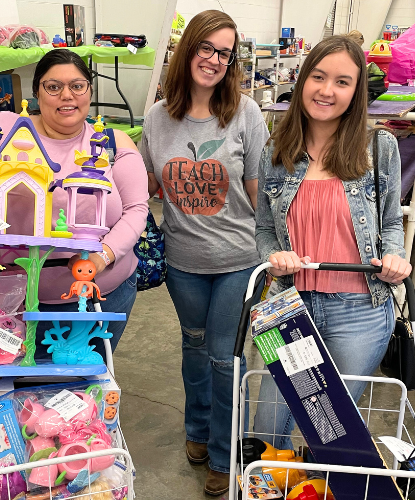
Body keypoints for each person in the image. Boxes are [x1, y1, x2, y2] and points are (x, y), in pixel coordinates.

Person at [0, 49, 148, 360]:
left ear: (89, 89)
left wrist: (99, 259)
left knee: (79, 393)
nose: (66, 96)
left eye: (77, 85)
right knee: (12, 395)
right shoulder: (4, 131)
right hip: (6, 302)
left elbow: (137, 210)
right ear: (37, 92)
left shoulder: (112, 144)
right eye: (53, 86)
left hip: (98, 296)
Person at [253, 35, 411, 450]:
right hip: (289, 306)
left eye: (342, 82)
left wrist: (395, 256)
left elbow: (392, 220)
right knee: (267, 424)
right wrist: (273, 256)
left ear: (356, 92)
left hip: (360, 314)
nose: (326, 90)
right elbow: (263, 228)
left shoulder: (380, 147)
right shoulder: (275, 149)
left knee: (330, 429)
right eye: (318, 77)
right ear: (303, 79)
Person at [141, 10, 269, 496]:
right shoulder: (157, 117)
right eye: (207, 48)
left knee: (224, 358)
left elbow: (259, 191)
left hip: (238, 260)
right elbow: (149, 185)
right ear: (188, 48)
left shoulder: (245, 112)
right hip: (182, 263)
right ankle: (196, 430)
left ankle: (223, 452)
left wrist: (272, 255)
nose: (215, 60)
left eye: (225, 52)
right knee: (194, 348)